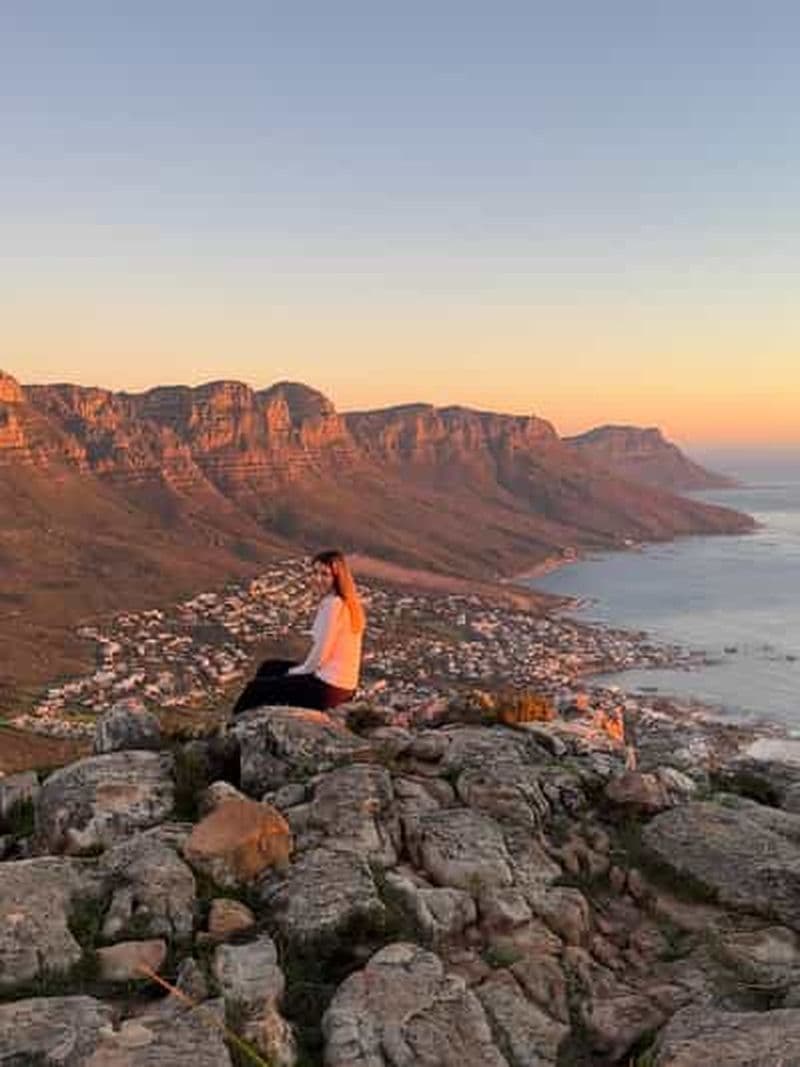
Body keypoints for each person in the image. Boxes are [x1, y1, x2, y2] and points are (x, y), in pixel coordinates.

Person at [232, 550, 365, 715]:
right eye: (315, 572)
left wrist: (298, 671)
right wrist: (298, 671)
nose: (317, 578)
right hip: (343, 688)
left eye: (325, 574)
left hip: (328, 689)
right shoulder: (347, 603)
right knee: (269, 667)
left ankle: (234, 726)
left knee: (255, 689)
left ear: (337, 577)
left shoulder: (333, 605)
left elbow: (322, 652)